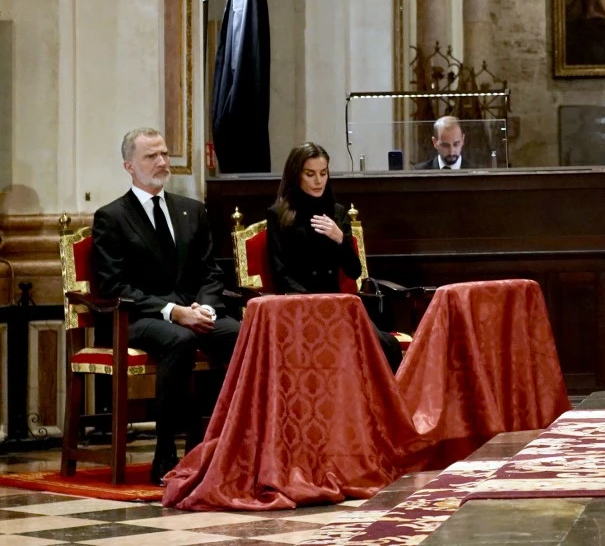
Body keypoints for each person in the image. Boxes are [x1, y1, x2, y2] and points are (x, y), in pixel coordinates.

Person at [93, 128, 240, 484]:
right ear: (129, 165)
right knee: (180, 339)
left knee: (242, 333)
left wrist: (206, 307)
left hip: (192, 312)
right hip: (136, 318)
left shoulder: (192, 210)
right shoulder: (111, 218)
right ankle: (165, 452)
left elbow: (210, 272)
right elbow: (113, 286)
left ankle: (223, 443)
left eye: (164, 154)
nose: (161, 162)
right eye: (150, 156)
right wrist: (173, 312)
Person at [268, 142, 403, 372]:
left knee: (386, 344)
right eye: (310, 174)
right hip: (300, 306)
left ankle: (384, 405)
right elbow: (281, 275)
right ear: (296, 175)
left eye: (323, 173)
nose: (318, 181)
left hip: (338, 304)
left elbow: (354, 271)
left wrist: (340, 238)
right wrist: (314, 303)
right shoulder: (279, 215)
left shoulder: (337, 212)